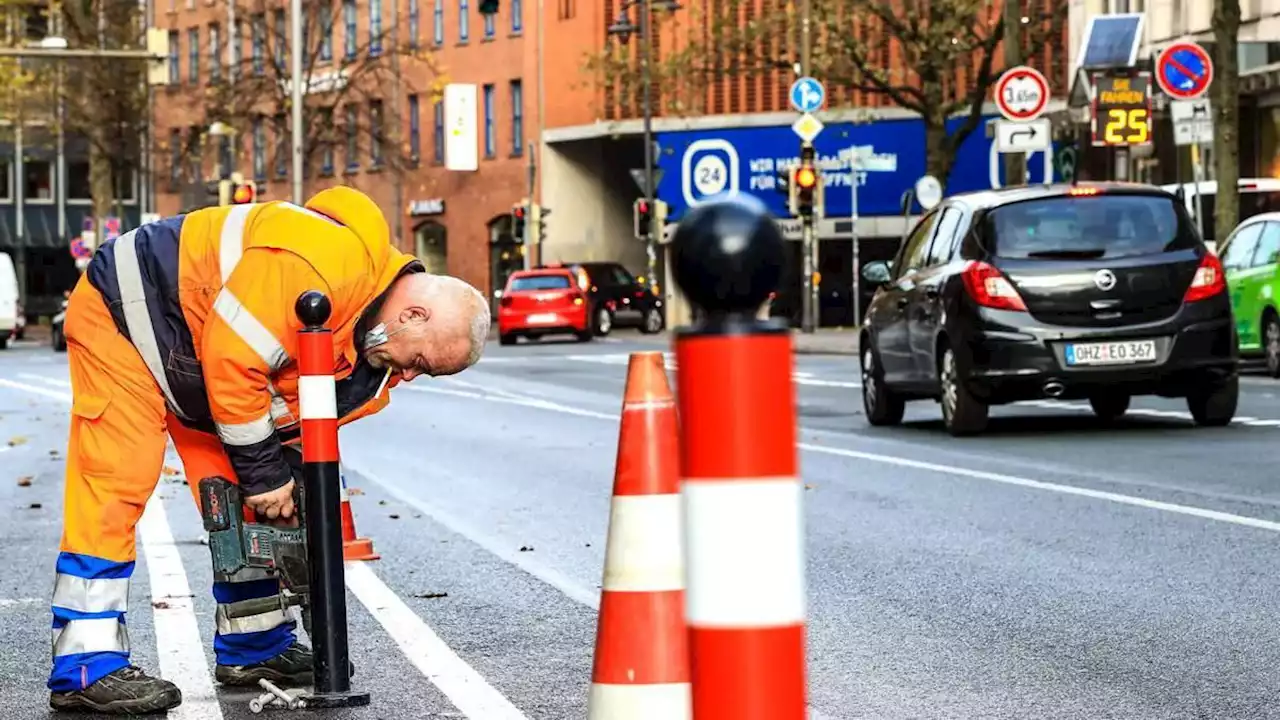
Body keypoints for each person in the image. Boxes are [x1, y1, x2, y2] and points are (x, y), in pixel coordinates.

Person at [48, 186, 490, 714]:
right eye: (419, 359)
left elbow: (281, 414)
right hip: (128, 315)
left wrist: (289, 488)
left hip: (197, 354)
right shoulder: (324, 265)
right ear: (414, 315)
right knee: (115, 485)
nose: (411, 375)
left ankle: (254, 648)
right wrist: (265, 474)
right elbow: (234, 361)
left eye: (424, 372)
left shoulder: (367, 347)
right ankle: (84, 668)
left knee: (247, 502)